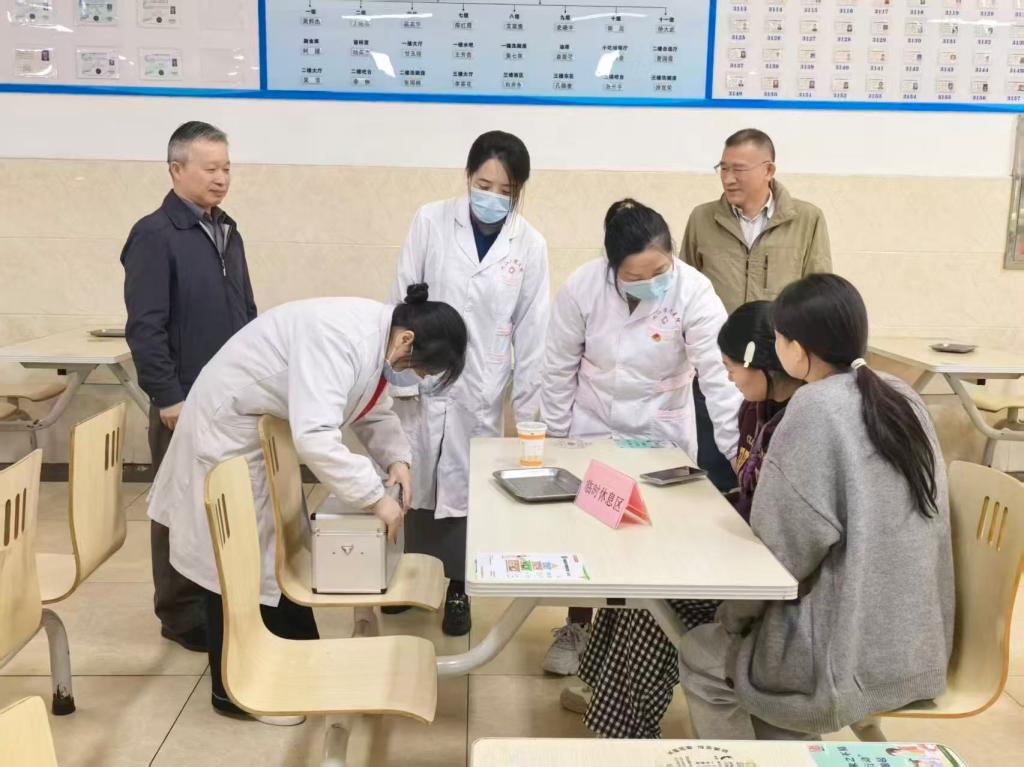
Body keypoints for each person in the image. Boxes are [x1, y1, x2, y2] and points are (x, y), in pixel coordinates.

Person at [146, 285, 468, 722]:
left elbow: (371, 410)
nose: (416, 377)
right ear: (407, 339)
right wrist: (375, 498)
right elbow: (315, 436)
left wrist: (398, 460)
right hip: (227, 430)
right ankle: (230, 691)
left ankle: (283, 660)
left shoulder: (378, 340)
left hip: (258, 427)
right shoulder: (341, 338)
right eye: (420, 368)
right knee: (235, 561)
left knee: (272, 550)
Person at [678, 274, 954, 740]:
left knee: (702, 653)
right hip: (917, 648)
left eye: (779, 337)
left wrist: (729, 620)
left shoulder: (812, 409)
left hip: (842, 656)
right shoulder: (901, 395)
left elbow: (777, 562)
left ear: (796, 350)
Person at [562, 301, 802, 737]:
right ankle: (605, 696)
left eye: (731, 368)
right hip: (746, 553)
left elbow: (786, 530)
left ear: (758, 361)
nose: (729, 379)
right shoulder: (755, 408)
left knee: (652, 602)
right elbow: (750, 491)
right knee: (638, 581)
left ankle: (625, 730)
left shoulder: (801, 425)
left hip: (770, 582)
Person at [539, 199, 743, 676]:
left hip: (660, 428)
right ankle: (578, 627)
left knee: (654, 537)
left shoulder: (693, 291)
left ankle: (635, 647)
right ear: (612, 268)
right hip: (594, 425)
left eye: (660, 270)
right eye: (635, 275)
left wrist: (738, 450)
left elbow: (719, 377)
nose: (651, 281)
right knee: (591, 535)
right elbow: (558, 368)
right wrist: (557, 441)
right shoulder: (583, 287)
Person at [388, 131, 550, 636]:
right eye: (484, 185)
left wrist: (530, 421)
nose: (493, 197)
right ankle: (407, 577)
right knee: (413, 479)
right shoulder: (430, 221)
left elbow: (534, 334)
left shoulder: (530, 245)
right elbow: (400, 300)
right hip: (424, 374)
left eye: (506, 190)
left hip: (480, 385)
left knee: (466, 488)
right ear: (467, 177)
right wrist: (401, 379)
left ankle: (460, 588)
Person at [122, 121, 257, 654]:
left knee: (219, 501)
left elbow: (246, 311)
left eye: (226, 168)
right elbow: (145, 327)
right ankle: (179, 613)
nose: (221, 178)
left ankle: (217, 597)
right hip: (182, 400)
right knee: (176, 505)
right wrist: (168, 396)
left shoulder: (227, 230)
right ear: (176, 169)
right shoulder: (155, 235)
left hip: (229, 398)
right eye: (210, 168)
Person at [681, 128, 832, 503]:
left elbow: (819, 295)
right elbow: (685, 289)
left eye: (739, 169)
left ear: (769, 170)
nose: (728, 178)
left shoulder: (807, 219)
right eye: (723, 168)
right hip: (718, 366)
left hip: (779, 374)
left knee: (771, 470)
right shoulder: (702, 219)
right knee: (713, 469)